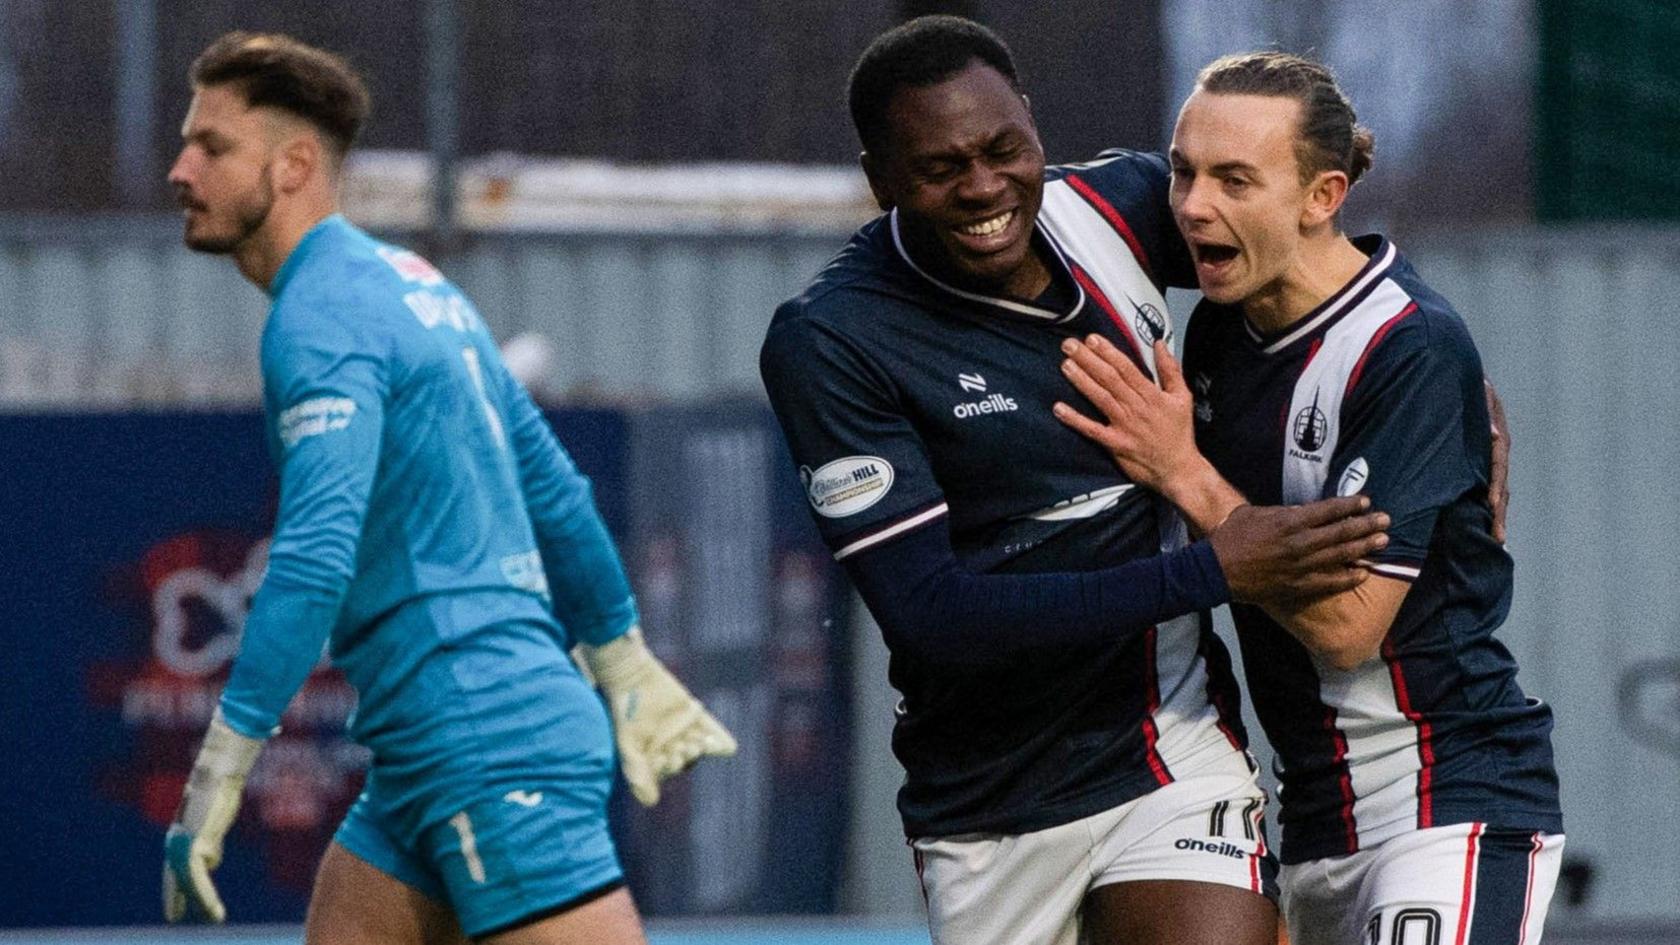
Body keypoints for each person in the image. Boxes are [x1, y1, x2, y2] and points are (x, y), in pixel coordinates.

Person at [759, 17, 1394, 945]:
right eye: (941, 169)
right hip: (989, 802)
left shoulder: (1121, 205)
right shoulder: (832, 339)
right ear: (881, 180)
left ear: (1033, 126)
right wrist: (1212, 570)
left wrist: (1432, 368)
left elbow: (1307, 259)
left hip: (1168, 747)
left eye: (1004, 149)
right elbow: (933, 614)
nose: (984, 187)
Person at [159, 32, 735, 944]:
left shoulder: (319, 319)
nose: (180, 168)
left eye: (212, 146)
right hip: (434, 751)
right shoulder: (417, 285)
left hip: (484, 739)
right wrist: (618, 652)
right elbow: (553, 488)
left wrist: (221, 765)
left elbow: (315, 554)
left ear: (295, 164)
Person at [1054, 52, 1563, 945]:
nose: (1192, 205)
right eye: (1183, 171)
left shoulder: (1406, 347)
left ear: (1323, 196)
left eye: (1234, 179)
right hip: (1314, 823)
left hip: (1450, 797)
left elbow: (1349, 626)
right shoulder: (1220, 330)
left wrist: (1185, 472)